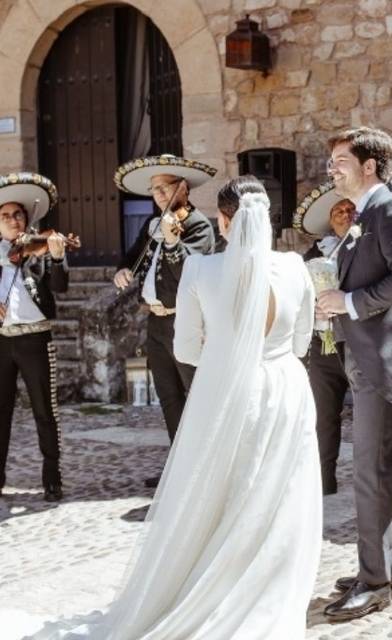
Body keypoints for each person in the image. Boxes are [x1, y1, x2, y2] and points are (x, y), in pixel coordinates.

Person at [31, 176, 322, 639]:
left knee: (221, 491)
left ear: (224, 221)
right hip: (286, 385)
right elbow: (304, 340)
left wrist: (227, 355)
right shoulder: (293, 266)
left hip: (226, 388)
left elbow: (186, 349)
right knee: (281, 491)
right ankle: (272, 586)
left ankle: (212, 586)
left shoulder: (202, 271)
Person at [315, 126, 392, 622]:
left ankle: (374, 583)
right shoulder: (362, 217)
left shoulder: (389, 209)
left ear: (370, 165)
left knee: (370, 472)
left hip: (385, 363)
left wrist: (347, 302)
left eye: (341, 159)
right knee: (391, 469)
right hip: (367, 357)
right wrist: (334, 304)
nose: (332, 168)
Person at [113, 155, 216, 487]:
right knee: (169, 396)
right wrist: (123, 269)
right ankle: (180, 469)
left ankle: (205, 471)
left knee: (197, 394)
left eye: (164, 188)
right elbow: (132, 255)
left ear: (182, 187)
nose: (158, 195)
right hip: (156, 324)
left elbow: (191, 273)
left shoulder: (198, 224)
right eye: (154, 190)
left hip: (185, 321)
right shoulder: (153, 224)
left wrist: (172, 240)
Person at [0, 173, 68, 502]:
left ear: (27, 218)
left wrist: (55, 257)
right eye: (5, 216)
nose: (13, 221)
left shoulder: (38, 250)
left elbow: (59, 287)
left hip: (36, 340)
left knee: (45, 410)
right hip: (1, 342)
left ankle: (52, 477)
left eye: (18, 215)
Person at [294, 182, 355, 495]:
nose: (345, 215)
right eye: (338, 212)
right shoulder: (315, 252)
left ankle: (379, 479)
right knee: (322, 414)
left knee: (372, 414)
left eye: (349, 210)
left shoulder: (364, 247)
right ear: (330, 221)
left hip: (357, 343)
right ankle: (324, 480)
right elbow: (300, 291)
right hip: (323, 343)